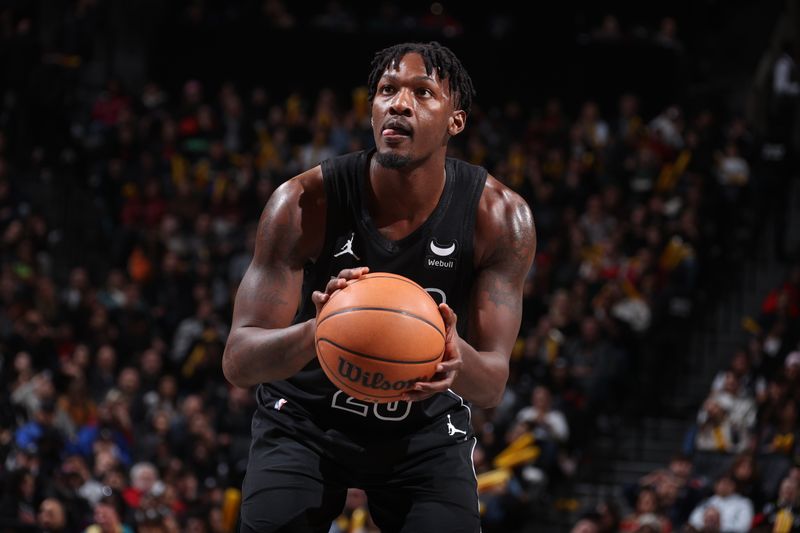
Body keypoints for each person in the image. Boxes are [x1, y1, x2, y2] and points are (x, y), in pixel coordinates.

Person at [222, 41, 537, 532]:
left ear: (456, 121)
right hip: (304, 422)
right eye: (387, 90)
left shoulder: (499, 218)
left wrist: (454, 354)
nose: (399, 103)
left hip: (422, 433)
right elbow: (239, 361)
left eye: (423, 92)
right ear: (372, 111)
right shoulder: (303, 204)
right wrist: (318, 329)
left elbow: (492, 384)